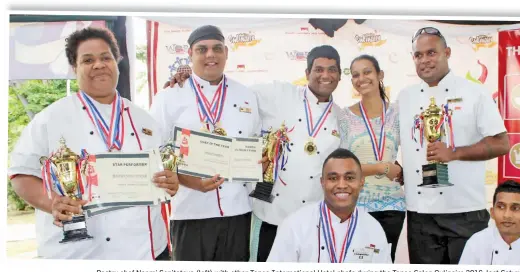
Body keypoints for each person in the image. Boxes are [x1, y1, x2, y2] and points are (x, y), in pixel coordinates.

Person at [8, 26, 179, 260]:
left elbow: (165, 174)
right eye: (87, 60)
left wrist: (170, 181)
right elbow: (21, 175)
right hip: (79, 254)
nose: (99, 65)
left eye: (105, 57)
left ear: (116, 63)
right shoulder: (50, 119)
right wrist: (53, 203)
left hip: (146, 250)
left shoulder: (145, 120)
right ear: (74, 67)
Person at [164, 45, 344, 262]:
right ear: (307, 73)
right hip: (271, 213)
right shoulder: (280, 93)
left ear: (340, 75)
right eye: (319, 69)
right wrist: (193, 77)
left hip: (313, 216)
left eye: (332, 70)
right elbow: (230, 92)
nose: (325, 75)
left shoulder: (341, 118)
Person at [397, 26, 510, 264]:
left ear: (447, 52)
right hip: (420, 213)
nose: (425, 60)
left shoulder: (475, 92)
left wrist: (455, 153)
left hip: (465, 211)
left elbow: (502, 143)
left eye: (431, 52)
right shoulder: (405, 97)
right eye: (418, 55)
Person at [149, 25, 261, 261]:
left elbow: (255, 146)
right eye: (202, 49)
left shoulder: (247, 96)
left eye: (217, 49)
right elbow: (156, 156)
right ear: (190, 55)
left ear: (226, 53)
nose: (211, 55)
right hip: (190, 211)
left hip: (238, 211)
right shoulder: (168, 98)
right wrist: (193, 182)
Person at [266, 148, 392, 263]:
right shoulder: (294, 225)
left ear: (361, 182)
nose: (342, 185)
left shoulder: (374, 228)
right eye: (333, 178)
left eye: (349, 178)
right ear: (322, 182)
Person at [337, 54, 405, 262]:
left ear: (380, 75)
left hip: (393, 206)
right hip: (357, 206)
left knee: (388, 261)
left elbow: (415, 152)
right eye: (356, 75)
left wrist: (404, 171)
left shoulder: (397, 113)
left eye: (367, 72)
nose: (361, 78)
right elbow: (342, 166)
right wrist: (381, 167)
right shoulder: (344, 116)